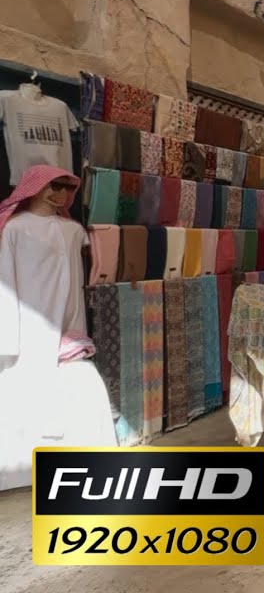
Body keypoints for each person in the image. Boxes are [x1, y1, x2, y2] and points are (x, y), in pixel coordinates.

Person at [0, 165, 117, 491]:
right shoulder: (15, 229)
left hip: (68, 328)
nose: (62, 195)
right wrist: (8, 337)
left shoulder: (73, 231)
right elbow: (5, 282)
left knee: (75, 394)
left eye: (67, 188)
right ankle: (23, 471)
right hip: (27, 326)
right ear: (34, 187)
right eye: (54, 187)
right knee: (22, 397)